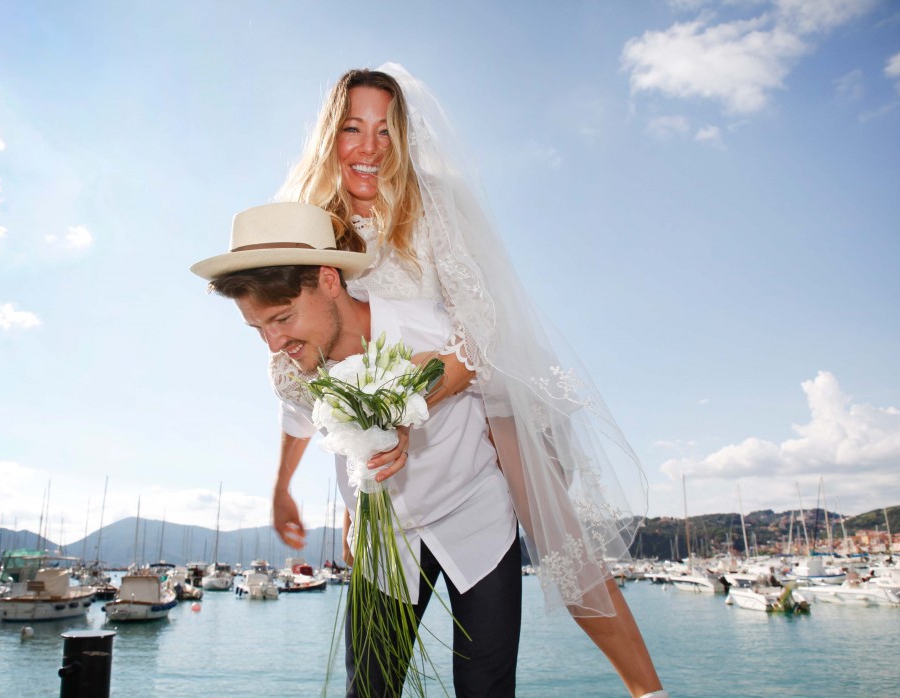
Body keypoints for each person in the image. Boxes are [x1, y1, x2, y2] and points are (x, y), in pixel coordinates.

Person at [273, 65, 667, 698]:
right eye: (352, 128)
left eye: (385, 130)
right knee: (369, 684)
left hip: (469, 438)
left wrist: (407, 403)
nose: (369, 149)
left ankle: (650, 692)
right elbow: (303, 357)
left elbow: (481, 331)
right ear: (329, 135)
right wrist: (314, 484)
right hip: (381, 487)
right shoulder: (308, 224)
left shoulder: (434, 206)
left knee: (564, 557)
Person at [193, 201, 523, 696]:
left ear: (329, 280)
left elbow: (485, 369)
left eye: (281, 318)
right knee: (368, 688)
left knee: (486, 688)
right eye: (258, 328)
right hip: (382, 540)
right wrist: (281, 488)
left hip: (475, 519)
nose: (273, 343)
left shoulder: (425, 324)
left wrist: (406, 405)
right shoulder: (289, 367)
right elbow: (297, 421)